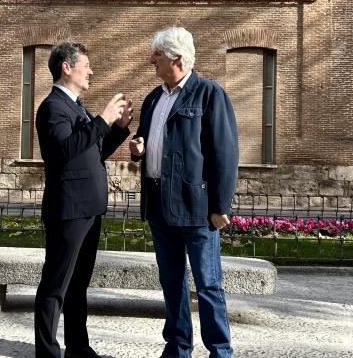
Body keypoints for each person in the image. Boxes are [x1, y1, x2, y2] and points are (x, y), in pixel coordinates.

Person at [129, 27, 239, 358]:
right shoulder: (153, 98)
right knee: (172, 283)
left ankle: (220, 351)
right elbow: (144, 141)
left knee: (208, 285)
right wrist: (137, 150)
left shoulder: (209, 94)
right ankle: (177, 348)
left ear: (176, 58)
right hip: (160, 207)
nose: (151, 60)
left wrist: (221, 205)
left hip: (197, 209)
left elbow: (225, 154)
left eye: (157, 55)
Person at [34, 41, 132, 358]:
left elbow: (93, 151)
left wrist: (118, 129)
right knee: (56, 285)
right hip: (68, 210)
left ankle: (78, 347)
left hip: (88, 208)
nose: (91, 70)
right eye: (86, 64)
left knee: (78, 286)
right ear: (67, 67)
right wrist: (101, 120)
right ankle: (48, 352)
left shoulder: (76, 106)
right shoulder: (52, 108)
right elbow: (63, 152)